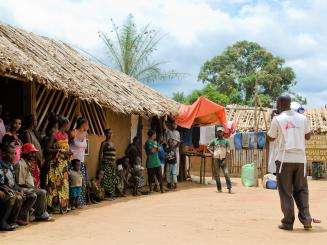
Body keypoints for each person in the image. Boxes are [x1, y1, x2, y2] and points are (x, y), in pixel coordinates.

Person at [267, 95, 312, 231]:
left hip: (284, 160)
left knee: (286, 192)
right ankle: (306, 220)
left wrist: (271, 121)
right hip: (300, 160)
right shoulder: (303, 118)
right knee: (302, 190)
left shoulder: (277, 119)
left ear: (280, 104)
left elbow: (270, 138)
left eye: (276, 103)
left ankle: (288, 222)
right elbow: (308, 136)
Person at [0, 145, 36, 226]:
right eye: (11, 154)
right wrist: (15, 191)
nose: (14, 156)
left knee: (32, 194)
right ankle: (4, 221)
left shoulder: (10, 166)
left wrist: (19, 190)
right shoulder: (1, 166)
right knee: (15, 197)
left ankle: (17, 218)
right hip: (5, 190)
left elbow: (14, 183)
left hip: (11, 188)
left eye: (14, 154)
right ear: (4, 154)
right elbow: (3, 184)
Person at [16, 143, 51, 221]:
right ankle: (40, 214)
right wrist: (32, 187)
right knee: (41, 192)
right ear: (25, 153)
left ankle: (41, 212)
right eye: (31, 153)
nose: (33, 155)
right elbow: (21, 183)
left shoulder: (26, 163)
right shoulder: (21, 164)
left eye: (33, 153)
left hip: (25, 186)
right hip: (20, 187)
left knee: (41, 191)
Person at [46, 116, 71, 213]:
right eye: (67, 124)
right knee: (55, 186)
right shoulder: (55, 135)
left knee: (64, 184)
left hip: (64, 165)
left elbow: (67, 149)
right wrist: (59, 150)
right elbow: (48, 149)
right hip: (56, 164)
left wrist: (69, 152)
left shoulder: (66, 136)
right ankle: (54, 207)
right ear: (64, 124)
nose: (68, 126)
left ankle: (63, 206)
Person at [69, 117, 89, 206]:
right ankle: (71, 203)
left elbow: (84, 149)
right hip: (73, 163)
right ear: (83, 124)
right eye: (87, 124)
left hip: (81, 162)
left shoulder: (85, 134)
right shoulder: (73, 132)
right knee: (73, 184)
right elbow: (67, 144)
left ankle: (79, 202)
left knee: (81, 184)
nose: (88, 126)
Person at [208, 126, 232, 194]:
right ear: (217, 133)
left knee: (226, 173)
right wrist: (212, 153)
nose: (219, 133)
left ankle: (229, 188)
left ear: (223, 132)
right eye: (218, 132)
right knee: (217, 175)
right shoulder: (214, 141)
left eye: (220, 132)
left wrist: (226, 159)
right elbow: (208, 147)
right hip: (216, 159)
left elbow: (228, 151)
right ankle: (219, 189)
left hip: (223, 159)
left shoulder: (226, 141)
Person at [21, 114, 43, 182]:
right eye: (35, 120)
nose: (36, 121)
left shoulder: (33, 132)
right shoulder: (27, 133)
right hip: (32, 161)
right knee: (33, 180)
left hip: (36, 160)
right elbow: (30, 149)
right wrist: (37, 159)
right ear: (32, 122)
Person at [99, 129, 117, 199]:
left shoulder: (113, 143)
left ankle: (111, 194)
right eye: (108, 133)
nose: (110, 135)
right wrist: (100, 164)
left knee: (112, 178)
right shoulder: (104, 143)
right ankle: (105, 194)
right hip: (106, 163)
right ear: (106, 134)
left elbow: (114, 154)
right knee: (106, 179)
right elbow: (100, 154)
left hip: (112, 163)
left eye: (111, 133)